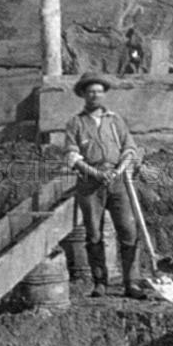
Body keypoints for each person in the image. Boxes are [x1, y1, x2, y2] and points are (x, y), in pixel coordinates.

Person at [64, 72, 146, 300]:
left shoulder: (115, 120)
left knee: (128, 231)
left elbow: (130, 149)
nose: (95, 95)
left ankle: (132, 282)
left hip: (118, 181)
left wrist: (118, 171)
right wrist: (96, 174)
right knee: (94, 234)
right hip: (90, 183)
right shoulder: (75, 123)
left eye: (99, 91)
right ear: (83, 94)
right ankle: (100, 282)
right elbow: (72, 156)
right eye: (91, 92)